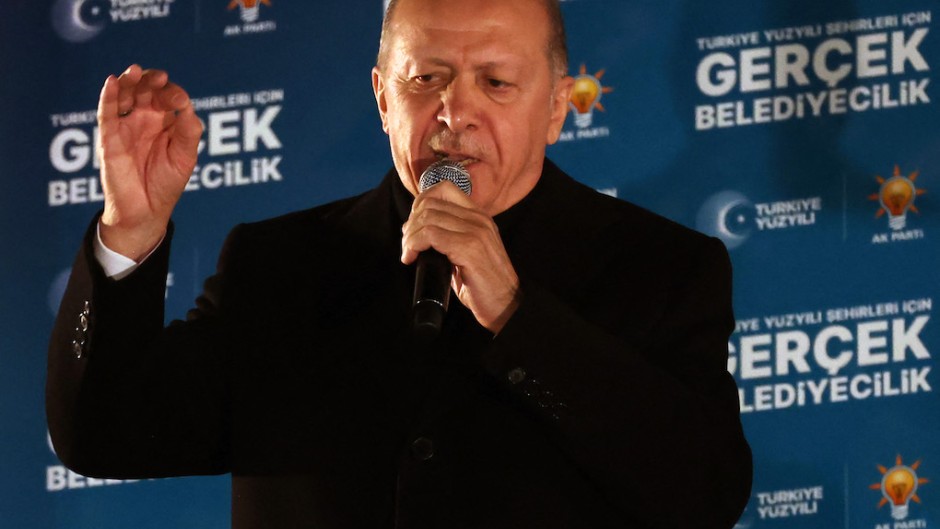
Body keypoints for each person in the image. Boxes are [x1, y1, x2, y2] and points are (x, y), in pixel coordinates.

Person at [47, 0, 752, 527]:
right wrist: (130, 231)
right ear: (384, 97)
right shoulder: (279, 264)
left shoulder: (661, 268)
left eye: (497, 82)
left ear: (557, 109)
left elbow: (703, 493)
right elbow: (102, 433)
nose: (455, 113)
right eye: (426, 79)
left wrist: (517, 314)